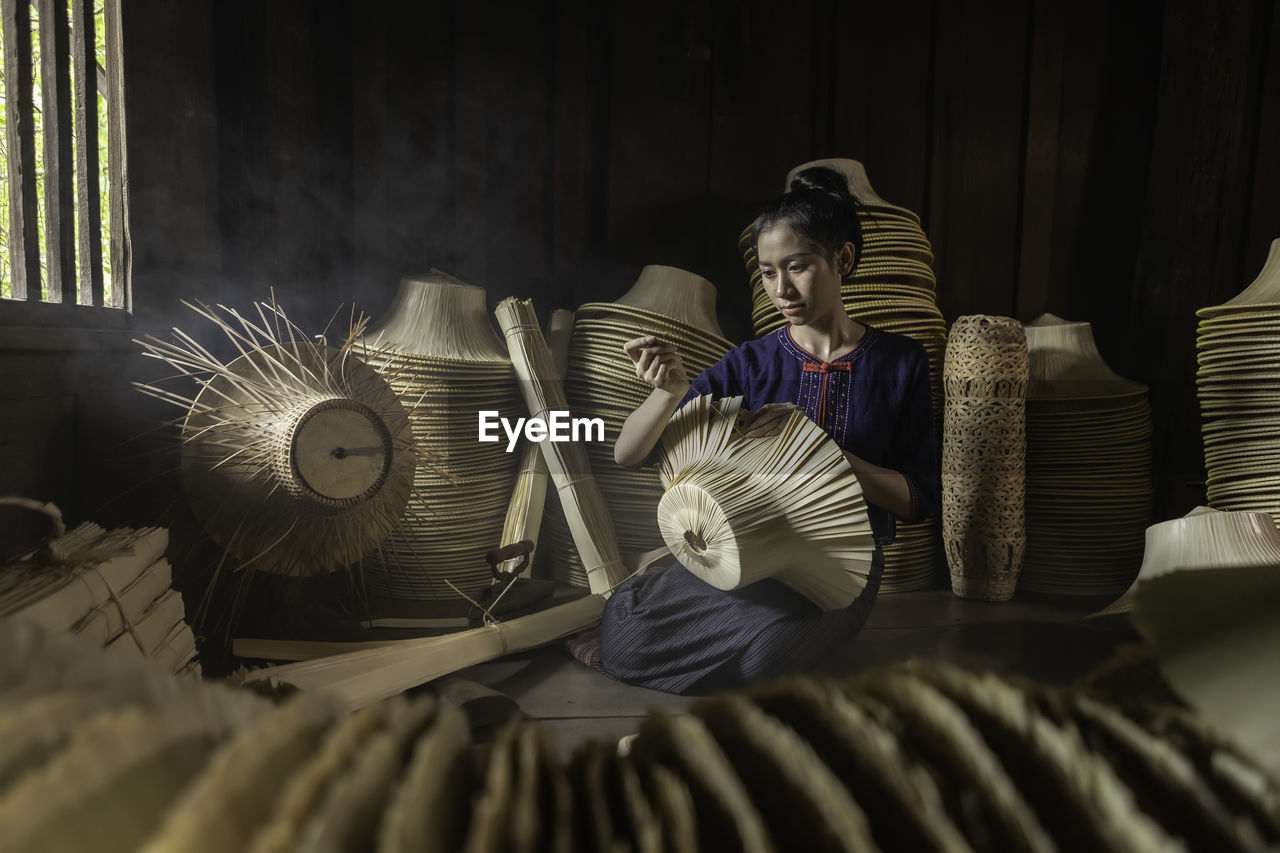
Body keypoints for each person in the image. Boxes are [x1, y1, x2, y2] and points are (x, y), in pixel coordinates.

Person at [593, 166, 939, 694]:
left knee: (766, 660)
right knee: (624, 640)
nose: (782, 289)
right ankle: (668, 604)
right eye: (769, 272)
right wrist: (666, 392)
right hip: (745, 551)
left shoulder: (901, 362)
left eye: (797, 267)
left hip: (839, 571)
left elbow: (919, 499)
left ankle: (724, 637)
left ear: (841, 259)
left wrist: (838, 463)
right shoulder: (749, 364)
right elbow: (627, 452)